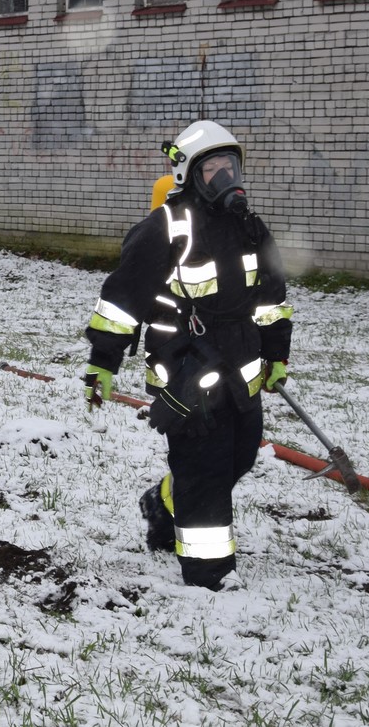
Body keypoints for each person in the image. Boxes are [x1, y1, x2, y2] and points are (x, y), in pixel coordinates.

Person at [83, 120, 293, 590]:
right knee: (205, 471)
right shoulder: (165, 228)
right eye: (212, 168)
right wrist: (103, 360)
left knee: (240, 457)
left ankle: (163, 502)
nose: (225, 176)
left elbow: (272, 297)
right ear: (188, 175)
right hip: (188, 373)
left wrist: (277, 352)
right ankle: (209, 575)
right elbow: (122, 299)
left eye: (230, 166)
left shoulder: (251, 228)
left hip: (242, 372)